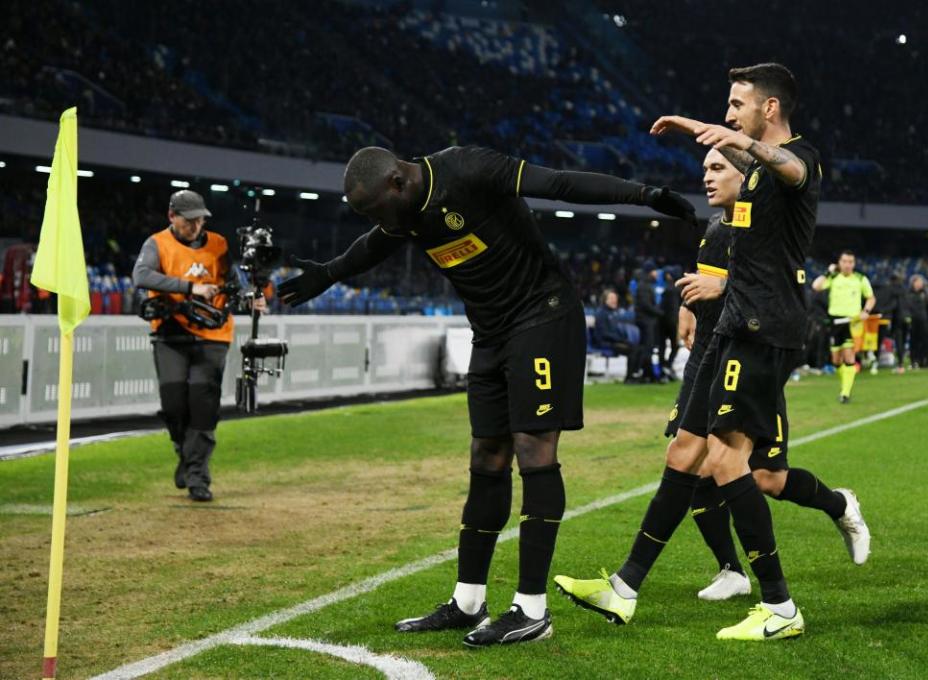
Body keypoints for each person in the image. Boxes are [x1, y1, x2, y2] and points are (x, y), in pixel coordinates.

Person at [278, 144, 695, 647]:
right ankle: (468, 600)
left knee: (533, 448)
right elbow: (375, 244)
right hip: (491, 333)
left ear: (396, 181)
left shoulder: (466, 169)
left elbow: (559, 183)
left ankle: (532, 610)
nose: (376, 221)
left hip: (543, 313)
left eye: (374, 209)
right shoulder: (402, 213)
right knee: (487, 454)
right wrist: (328, 272)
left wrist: (645, 194)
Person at [556, 63, 867, 641]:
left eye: (736, 105)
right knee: (684, 453)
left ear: (768, 109)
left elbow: (792, 169)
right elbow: (744, 173)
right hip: (731, 326)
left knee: (731, 464)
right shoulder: (752, 174)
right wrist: (700, 129)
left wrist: (740, 140)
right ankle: (623, 589)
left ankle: (779, 606)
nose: (729, 115)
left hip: (763, 328)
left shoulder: (801, 157)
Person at [666, 149, 869, 603]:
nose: (707, 177)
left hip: (753, 361)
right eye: (704, 168)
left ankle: (840, 505)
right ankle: (731, 571)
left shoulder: (762, 230)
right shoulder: (716, 230)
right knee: (696, 463)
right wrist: (687, 303)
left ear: (748, 179)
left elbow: (773, 288)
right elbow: (709, 283)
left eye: (718, 168)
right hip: (710, 361)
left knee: (766, 479)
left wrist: (720, 289)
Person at [133, 190, 264, 502]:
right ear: (172, 217)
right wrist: (190, 287)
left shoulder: (219, 244)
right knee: (174, 404)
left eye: (200, 220)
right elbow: (141, 275)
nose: (195, 226)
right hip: (170, 333)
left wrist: (252, 296)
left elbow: (238, 280)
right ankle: (186, 455)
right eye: (189, 221)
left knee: (204, 406)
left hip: (213, 336)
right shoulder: (157, 244)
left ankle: (197, 477)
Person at [811, 251, 876, 403]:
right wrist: (828, 271)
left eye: (850, 262)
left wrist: (865, 311)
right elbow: (816, 286)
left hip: (852, 322)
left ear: (854, 264)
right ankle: (844, 386)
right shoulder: (833, 277)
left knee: (849, 355)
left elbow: (871, 298)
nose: (847, 265)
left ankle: (845, 393)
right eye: (845, 261)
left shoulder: (860, 279)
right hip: (834, 321)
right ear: (839, 263)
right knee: (836, 360)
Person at [594, 289, 644, 382]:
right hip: (606, 342)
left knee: (640, 348)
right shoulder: (601, 313)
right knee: (633, 350)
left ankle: (635, 374)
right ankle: (629, 377)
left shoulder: (615, 312)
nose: (614, 300)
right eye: (612, 298)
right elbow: (604, 333)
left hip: (615, 341)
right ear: (605, 300)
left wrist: (622, 339)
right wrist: (621, 340)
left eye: (615, 298)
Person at [905, 274, 928, 368]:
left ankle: (926, 361)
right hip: (913, 322)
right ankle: (914, 361)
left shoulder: (925, 294)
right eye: (919, 282)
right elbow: (906, 309)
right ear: (913, 283)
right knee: (914, 342)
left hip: (924, 322)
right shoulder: (908, 294)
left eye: (921, 282)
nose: (921, 284)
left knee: (925, 342)